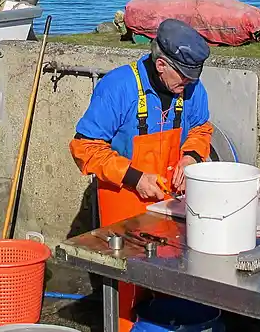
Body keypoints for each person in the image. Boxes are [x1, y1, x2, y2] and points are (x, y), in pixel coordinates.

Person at [69, 18, 213, 332]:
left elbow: (202, 129)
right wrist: (134, 177)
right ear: (161, 64)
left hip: (171, 209)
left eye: (193, 78)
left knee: (172, 282)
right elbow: (84, 147)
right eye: (184, 77)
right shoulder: (118, 88)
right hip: (124, 210)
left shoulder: (192, 89)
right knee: (127, 292)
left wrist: (190, 157)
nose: (189, 84)